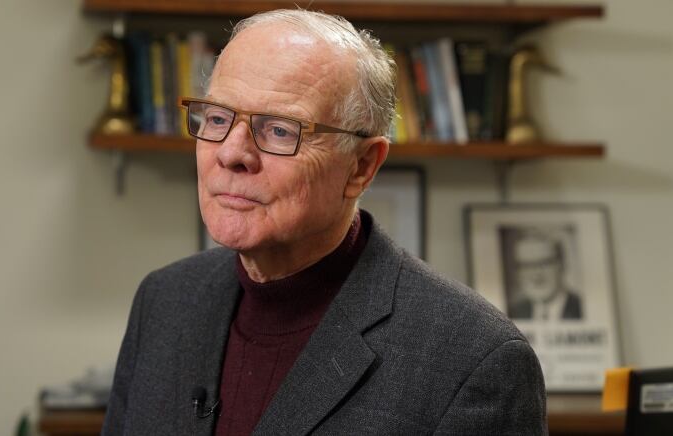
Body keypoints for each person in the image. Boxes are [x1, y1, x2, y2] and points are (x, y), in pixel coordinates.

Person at [103, 9, 546, 435]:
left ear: (361, 167)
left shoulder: (474, 360)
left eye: (278, 129)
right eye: (218, 118)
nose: (231, 153)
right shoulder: (162, 303)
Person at [507, 233, 583, 321]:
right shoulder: (514, 312)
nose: (536, 275)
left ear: (562, 264)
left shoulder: (581, 307)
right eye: (527, 266)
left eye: (544, 263)